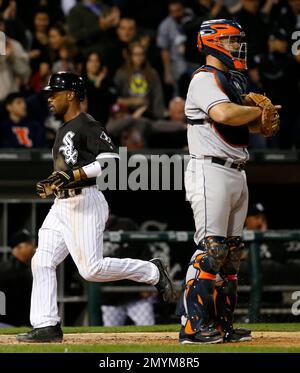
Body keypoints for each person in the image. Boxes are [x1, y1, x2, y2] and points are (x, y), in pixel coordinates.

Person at [16, 71, 174, 343]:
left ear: (70, 95)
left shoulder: (87, 124)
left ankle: (153, 271)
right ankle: (46, 325)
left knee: (91, 270)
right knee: (41, 260)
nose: (49, 99)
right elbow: (67, 173)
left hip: (86, 202)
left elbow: (111, 161)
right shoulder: (63, 129)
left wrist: (73, 176)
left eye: (54, 93)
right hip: (61, 206)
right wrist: (55, 183)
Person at [179, 19, 265, 344]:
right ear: (213, 43)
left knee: (230, 255)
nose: (236, 47)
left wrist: (260, 121)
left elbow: (241, 125)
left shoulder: (232, 80)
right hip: (209, 169)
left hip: (236, 170)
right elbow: (225, 115)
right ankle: (192, 327)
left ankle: (221, 326)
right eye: (230, 41)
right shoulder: (204, 78)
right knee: (211, 249)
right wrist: (254, 113)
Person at [101, 213, 155, 326]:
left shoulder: (126, 224)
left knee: (148, 327)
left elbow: (144, 252)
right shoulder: (90, 228)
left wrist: (146, 285)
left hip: (135, 293)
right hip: (109, 297)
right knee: (110, 334)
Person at [0, 229, 35, 327]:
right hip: (7, 323)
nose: (32, 247)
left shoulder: (22, 268)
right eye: (28, 243)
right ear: (19, 247)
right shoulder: (9, 270)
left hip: (16, 323)